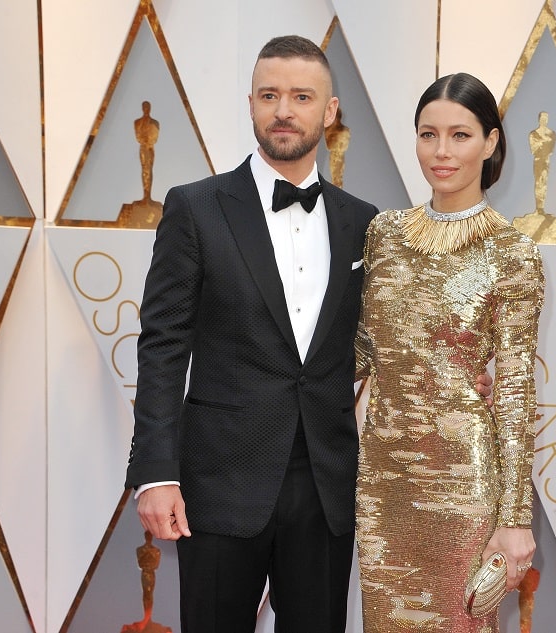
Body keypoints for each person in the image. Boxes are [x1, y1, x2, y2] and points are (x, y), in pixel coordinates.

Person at [124, 36, 495, 633]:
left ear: (330, 111)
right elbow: (162, 347)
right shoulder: (195, 207)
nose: (284, 111)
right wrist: (157, 473)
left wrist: (454, 372)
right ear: (250, 104)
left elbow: (384, 341)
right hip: (219, 483)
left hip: (325, 486)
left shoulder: (365, 224)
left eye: (302, 97)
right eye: (270, 95)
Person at [355, 72, 544, 632]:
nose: (441, 151)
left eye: (460, 135)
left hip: (464, 484)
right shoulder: (383, 234)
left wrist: (514, 518)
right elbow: (361, 352)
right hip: (382, 485)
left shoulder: (514, 254)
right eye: (427, 133)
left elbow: (512, 390)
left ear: (490, 143)